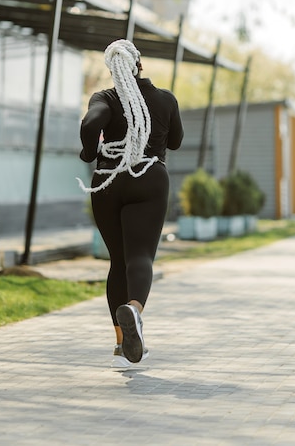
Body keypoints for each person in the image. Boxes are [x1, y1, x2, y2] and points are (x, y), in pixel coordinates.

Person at [77, 39, 184, 369]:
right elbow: (176, 142)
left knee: (118, 261)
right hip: (149, 178)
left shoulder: (105, 98)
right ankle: (134, 311)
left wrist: (89, 153)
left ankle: (123, 344)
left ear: (113, 70)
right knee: (139, 256)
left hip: (108, 182)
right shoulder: (165, 99)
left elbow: (90, 124)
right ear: (139, 64)